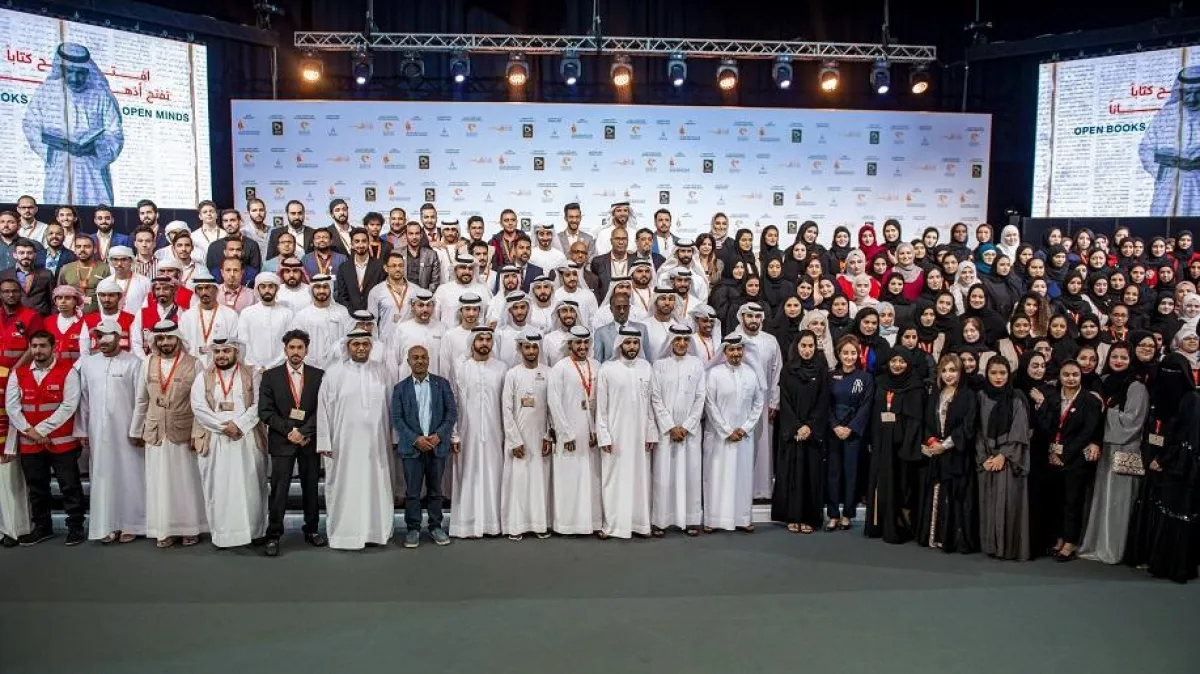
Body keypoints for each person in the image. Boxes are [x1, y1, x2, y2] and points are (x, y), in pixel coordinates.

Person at [317, 329, 396, 550]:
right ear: (347, 347)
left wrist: (394, 437)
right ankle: (345, 534)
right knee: (345, 488)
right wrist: (324, 441)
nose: (361, 348)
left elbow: (392, 407)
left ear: (371, 346)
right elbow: (322, 409)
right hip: (343, 446)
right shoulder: (333, 373)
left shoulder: (382, 372)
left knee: (376, 485)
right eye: (356, 344)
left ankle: (375, 532)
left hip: (377, 444)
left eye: (365, 344)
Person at [130, 320, 207, 548]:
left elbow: (201, 403)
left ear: (178, 339)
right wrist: (136, 430)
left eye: (170, 338)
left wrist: (198, 433)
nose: (165, 342)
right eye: (161, 339)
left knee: (185, 482)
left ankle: (189, 528)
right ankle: (164, 529)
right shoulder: (147, 363)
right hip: (155, 431)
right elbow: (141, 399)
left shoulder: (195, 364)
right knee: (159, 482)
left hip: (184, 431)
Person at [5, 330, 83, 546]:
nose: (38, 350)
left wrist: (40, 430)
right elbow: (12, 407)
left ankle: (75, 527)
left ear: (53, 348)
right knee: (37, 488)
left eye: (42, 346)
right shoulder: (18, 374)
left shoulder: (68, 372)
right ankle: (42, 527)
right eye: (34, 346)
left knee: (70, 486)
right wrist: (29, 431)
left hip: (62, 442)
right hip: (30, 444)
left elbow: (69, 405)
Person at [189, 337, 268, 549]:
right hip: (215, 439)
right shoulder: (203, 377)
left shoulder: (253, 374)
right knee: (219, 488)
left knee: (251, 486)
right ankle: (223, 534)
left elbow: (259, 405)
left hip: (247, 439)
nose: (221, 356)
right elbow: (198, 407)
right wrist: (223, 427)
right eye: (217, 352)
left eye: (226, 351)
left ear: (236, 353)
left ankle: (255, 531)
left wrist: (239, 425)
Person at [22, 43, 124, 205]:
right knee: (61, 209)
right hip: (60, 166)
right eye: (70, 72)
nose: (75, 78)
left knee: (98, 210)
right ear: (62, 69)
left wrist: (96, 148)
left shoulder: (101, 96)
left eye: (80, 73)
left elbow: (115, 133)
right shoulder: (46, 92)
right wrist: (58, 145)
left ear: (87, 72)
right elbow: (30, 125)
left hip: (92, 167)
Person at [258, 330, 326, 556]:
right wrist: (290, 431)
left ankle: (312, 530)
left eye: (300, 347)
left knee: (311, 487)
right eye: (292, 347)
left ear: (307, 350)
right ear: (285, 349)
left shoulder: (318, 375)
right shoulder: (271, 376)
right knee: (279, 490)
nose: (296, 352)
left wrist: (304, 432)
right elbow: (265, 411)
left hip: (308, 441)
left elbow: (323, 409)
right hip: (282, 440)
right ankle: (274, 534)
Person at [1079, 344, 1149, 564]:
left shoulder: (1136, 386)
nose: (1118, 361)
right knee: (1101, 497)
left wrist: (1103, 409)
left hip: (1124, 447)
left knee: (1118, 501)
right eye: (1115, 356)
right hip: (1104, 446)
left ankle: (1113, 548)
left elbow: (1132, 421)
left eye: (1124, 357)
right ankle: (1097, 543)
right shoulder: (1104, 380)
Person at [75, 320, 144, 543]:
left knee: (130, 475)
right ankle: (106, 524)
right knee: (103, 476)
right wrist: (82, 430)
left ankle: (132, 524)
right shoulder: (89, 364)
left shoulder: (134, 363)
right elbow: (83, 399)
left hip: (127, 432)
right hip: (98, 432)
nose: (101, 341)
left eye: (106, 336)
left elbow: (141, 400)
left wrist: (138, 429)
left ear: (118, 337)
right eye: (98, 336)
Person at [1035, 359, 1105, 562]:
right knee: (1056, 500)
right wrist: (1052, 451)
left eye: (1075, 374)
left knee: (1072, 502)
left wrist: (1064, 454)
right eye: (1066, 375)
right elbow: (1047, 427)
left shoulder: (1089, 400)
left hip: (1075, 460)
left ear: (1081, 376)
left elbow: (1087, 433)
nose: (1071, 378)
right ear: (1060, 376)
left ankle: (1070, 542)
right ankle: (1059, 537)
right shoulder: (1053, 398)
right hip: (1052, 456)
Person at [593, 327, 658, 539]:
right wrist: (604, 435)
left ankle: (640, 524)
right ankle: (613, 525)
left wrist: (651, 433)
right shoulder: (607, 369)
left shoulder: (646, 368)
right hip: (615, 436)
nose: (632, 347)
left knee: (641, 479)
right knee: (613, 480)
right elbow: (601, 408)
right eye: (628, 343)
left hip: (640, 435)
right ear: (620, 344)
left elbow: (651, 404)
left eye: (635, 343)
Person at [393, 344, 457, 548]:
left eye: (423, 357)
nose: (420, 361)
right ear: (408, 361)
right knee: (412, 492)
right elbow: (397, 418)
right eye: (415, 357)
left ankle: (436, 526)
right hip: (412, 448)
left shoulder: (442, 384)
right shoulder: (400, 388)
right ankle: (413, 529)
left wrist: (439, 436)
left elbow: (451, 413)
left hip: (437, 447)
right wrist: (416, 439)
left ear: (429, 360)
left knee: (435, 491)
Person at [917, 354, 980, 553]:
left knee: (957, 495)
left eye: (953, 370)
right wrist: (932, 442)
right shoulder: (936, 394)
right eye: (944, 371)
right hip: (936, 453)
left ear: (960, 372)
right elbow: (927, 422)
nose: (948, 375)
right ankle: (934, 536)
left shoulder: (969, 395)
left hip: (957, 454)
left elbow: (968, 426)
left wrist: (946, 445)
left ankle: (953, 539)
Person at [702, 335, 765, 533]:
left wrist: (745, 428)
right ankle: (713, 520)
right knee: (717, 477)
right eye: (731, 349)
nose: (736, 353)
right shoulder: (714, 374)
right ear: (724, 352)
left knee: (742, 478)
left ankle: (742, 518)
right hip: (719, 437)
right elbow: (710, 404)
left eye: (739, 349)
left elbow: (758, 403)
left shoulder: (751, 374)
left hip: (744, 437)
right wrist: (726, 430)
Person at [449, 327, 508, 538]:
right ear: (472, 342)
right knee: (468, 475)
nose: (484, 343)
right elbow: (454, 401)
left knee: (494, 474)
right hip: (467, 432)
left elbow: (506, 404)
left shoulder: (501, 368)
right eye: (480, 339)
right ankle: (467, 525)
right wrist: (454, 433)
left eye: (488, 339)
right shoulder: (461, 367)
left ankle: (493, 524)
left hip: (495, 432)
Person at [864, 349, 927, 544]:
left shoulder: (916, 386)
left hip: (904, 445)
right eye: (894, 361)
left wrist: (907, 443)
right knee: (881, 482)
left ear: (908, 363)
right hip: (882, 441)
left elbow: (917, 419)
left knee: (901, 484)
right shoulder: (880, 382)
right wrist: (872, 440)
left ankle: (901, 526)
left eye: (902, 361)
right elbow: (873, 412)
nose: (897, 365)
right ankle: (880, 525)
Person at [649, 325, 707, 536]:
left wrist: (687, 425)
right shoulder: (659, 365)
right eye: (677, 339)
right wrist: (671, 426)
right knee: (663, 476)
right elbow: (655, 398)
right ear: (671, 342)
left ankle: (691, 520)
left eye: (685, 339)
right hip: (666, 432)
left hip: (690, 432)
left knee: (690, 475)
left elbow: (701, 397)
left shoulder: (697, 364)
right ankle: (660, 520)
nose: (682, 343)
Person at [545, 326, 603, 535]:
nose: (582, 346)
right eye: (578, 343)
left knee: (591, 477)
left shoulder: (596, 366)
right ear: (570, 344)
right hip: (569, 431)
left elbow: (601, 402)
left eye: (586, 343)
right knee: (569, 477)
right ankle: (567, 524)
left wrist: (596, 430)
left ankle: (591, 522)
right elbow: (554, 403)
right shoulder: (559, 368)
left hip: (591, 432)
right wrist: (565, 433)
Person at [773, 330, 830, 534]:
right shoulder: (788, 370)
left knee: (811, 475)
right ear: (797, 347)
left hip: (812, 435)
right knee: (791, 474)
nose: (807, 350)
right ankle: (792, 517)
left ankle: (809, 518)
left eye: (811, 346)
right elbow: (785, 401)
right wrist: (796, 426)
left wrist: (810, 426)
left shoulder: (821, 370)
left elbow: (823, 401)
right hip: (793, 434)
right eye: (803, 346)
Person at [977, 355, 1033, 560]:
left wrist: (1003, 455)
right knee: (989, 503)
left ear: (1009, 374)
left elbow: (1020, 432)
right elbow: (977, 430)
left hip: (1010, 460)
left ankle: (1008, 549)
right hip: (987, 459)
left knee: (1008, 504)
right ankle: (991, 546)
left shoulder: (1017, 398)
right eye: (993, 373)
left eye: (1002, 373)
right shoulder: (981, 396)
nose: (998, 377)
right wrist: (983, 457)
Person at [499, 331, 554, 541]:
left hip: (541, 438)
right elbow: (506, 409)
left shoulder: (549, 372)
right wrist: (514, 440)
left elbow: (552, 407)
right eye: (527, 347)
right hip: (518, 438)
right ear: (520, 349)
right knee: (518, 481)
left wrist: (548, 436)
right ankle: (516, 526)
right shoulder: (512, 374)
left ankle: (540, 524)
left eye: (534, 347)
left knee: (540, 482)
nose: (531, 351)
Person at [826, 335, 874, 531]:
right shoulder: (830, 376)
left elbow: (866, 406)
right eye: (845, 353)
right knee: (833, 473)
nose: (849, 356)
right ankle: (833, 515)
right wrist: (835, 426)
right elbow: (825, 404)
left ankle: (847, 514)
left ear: (858, 354)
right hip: (834, 430)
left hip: (853, 431)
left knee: (851, 473)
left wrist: (851, 427)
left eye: (853, 353)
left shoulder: (865, 378)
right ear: (839, 354)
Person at [1140, 66, 1200, 216]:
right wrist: (1162, 172)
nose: (1192, 99)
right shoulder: (1166, 114)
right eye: (1187, 93)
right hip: (1169, 184)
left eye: (1197, 93)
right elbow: (1145, 148)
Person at [178, 270, 239, 368]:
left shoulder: (230, 315)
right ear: (196, 292)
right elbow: (184, 346)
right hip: (193, 367)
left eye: (207, 288)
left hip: (221, 367)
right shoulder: (187, 317)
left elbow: (233, 345)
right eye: (200, 288)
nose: (204, 292)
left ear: (216, 289)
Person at [236, 273, 295, 373]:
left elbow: (290, 344)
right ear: (257, 289)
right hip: (253, 369)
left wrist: (272, 366)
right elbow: (244, 343)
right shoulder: (247, 313)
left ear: (276, 289)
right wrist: (257, 367)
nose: (267, 290)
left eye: (271, 286)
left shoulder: (287, 314)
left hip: (280, 368)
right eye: (263, 287)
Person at [291, 274, 353, 369]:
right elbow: (297, 343)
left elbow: (349, 340)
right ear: (312, 290)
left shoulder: (342, 312)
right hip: (310, 367)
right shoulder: (302, 315)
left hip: (339, 367)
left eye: (325, 287)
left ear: (331, 289)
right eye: (317, 287)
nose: (321, 291)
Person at [0, 238, 55, 315]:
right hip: (13, 318)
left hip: (41, 318)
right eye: (21, 253)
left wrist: (52, 319)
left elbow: (53, 301)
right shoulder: (4, 275)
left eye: (29, 253)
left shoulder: (46, 274)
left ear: (35, 255)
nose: (26, 256)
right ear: (15, 255)